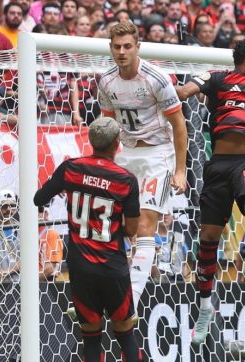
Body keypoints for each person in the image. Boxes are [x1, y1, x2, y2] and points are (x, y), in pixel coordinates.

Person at [33, 117, 148, 362]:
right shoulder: (125, 179)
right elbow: (132, 229)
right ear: (116, 144)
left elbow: (38, 199)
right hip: (113, 266)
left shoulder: (71, 169)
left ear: (90, 141)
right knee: (126, 334)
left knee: (92, 338)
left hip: (81, 268)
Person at [175, 39, 245, 346]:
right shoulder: (217, 78)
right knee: (208, 238)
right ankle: (205, 308)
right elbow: (182, 94)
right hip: (218, 164)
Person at [97, 22, 188, 319]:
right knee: (119, 228)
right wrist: (105, 165)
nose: (122, 52)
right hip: (126, 157)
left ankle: (130, 301)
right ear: (110, 47)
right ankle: (103, 295)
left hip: (158, 155)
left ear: (137, 47)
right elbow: (107, 127)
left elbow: (179, 125)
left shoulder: (156, 79)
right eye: (116, 47)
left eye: (127, 46)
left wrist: (180, 170)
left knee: (146, 227)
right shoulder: (107, 82)